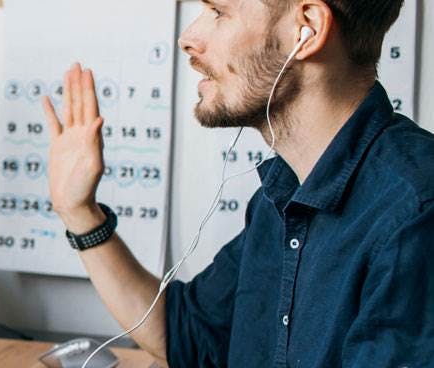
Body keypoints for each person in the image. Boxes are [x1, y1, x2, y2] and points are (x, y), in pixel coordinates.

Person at [39, 1, 434, 367]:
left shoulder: (415, 212)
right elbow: (185, 336)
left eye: (218, 11)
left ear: (307, 29)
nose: (188, 38)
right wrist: (80, 212)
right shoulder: (282, 193)